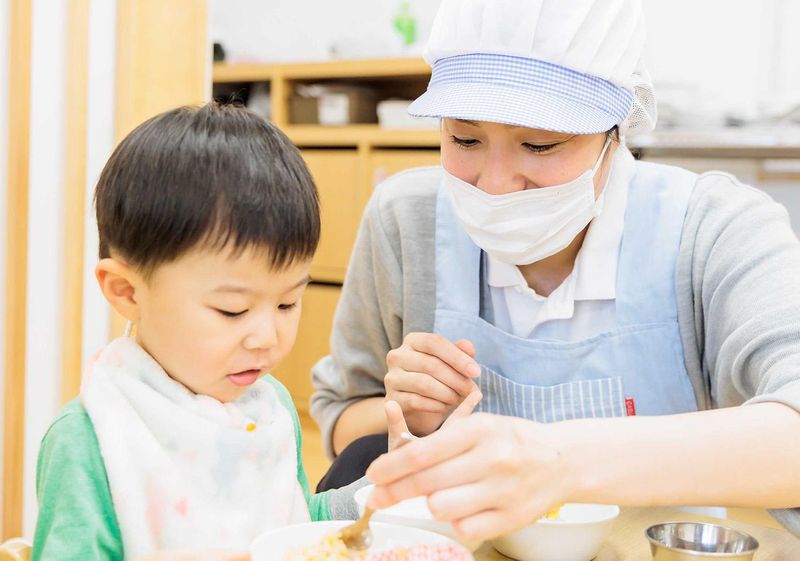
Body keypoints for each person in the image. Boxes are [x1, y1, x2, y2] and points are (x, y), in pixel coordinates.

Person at [311, 0, 800, 541]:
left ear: (616, 132)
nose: (496, 183)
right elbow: (341, 421)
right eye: (465, 138)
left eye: (540, 144)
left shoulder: (714, 229)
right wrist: (409, 415)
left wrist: (558, 462)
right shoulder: (407, 219)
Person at [32, 103, 364, 561]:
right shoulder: (91, 437)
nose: (267, 337)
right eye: (232, 310)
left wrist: (376, 497)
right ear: (127, 292)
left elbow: (291, 524)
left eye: (287, 303)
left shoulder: (268, 406)